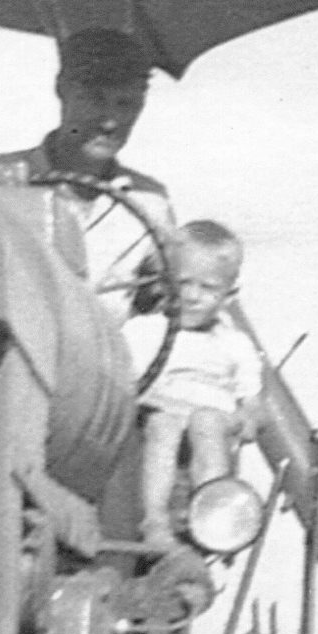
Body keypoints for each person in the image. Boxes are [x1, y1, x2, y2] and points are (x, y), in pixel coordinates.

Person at [0, 26, 174, 301]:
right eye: (95, 100)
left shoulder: (150, 204)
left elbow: (163, 303)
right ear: (62, 89)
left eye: (125, 104)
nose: (110, 121)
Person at [131, 221, 263, 552]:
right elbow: (125, 385)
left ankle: (210, 514)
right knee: (163, 423)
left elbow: (252, 402)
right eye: (183, 283)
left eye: (207, 288)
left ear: (228, 295)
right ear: (164, 283)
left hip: (215, 421)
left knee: (206, 420)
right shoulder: (145, 331)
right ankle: (154, 520)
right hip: (163, 415)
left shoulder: (234, 344)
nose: (191, 296)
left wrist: (246, 419)